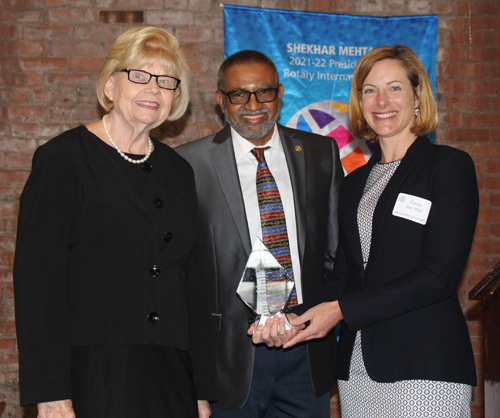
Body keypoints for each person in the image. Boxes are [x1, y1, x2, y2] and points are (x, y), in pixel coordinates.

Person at [13, 27, 207, 418]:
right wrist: (50, 392)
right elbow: (38, 283)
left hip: (171, 375)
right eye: (139, 76)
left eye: (166, 81)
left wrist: (201, 388)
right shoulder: (63, 160)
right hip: (91, 375)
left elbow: (193, 286)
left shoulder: (180, 170)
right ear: (110, 85)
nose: (154, 89)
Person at [284, 45, 479, 417]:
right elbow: (343, 276)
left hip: (424, 365)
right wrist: (293, 317)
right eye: (370, 90)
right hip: (357, 369)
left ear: (417, 96)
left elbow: (438, 275)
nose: (381, 101)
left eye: (395, 88)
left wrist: (341, 310)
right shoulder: (355, 182)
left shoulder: (448, 167)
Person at [176, 50, 343, 418]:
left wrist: (316, 315)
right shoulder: (188, 164)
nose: (253, 104)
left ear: (280, 94)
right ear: (221, 100)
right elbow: (182, 272)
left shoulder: (320, 153)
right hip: (228, 357)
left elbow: (336, 255)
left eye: (264, 92)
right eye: (239, 94)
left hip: (305, 351)